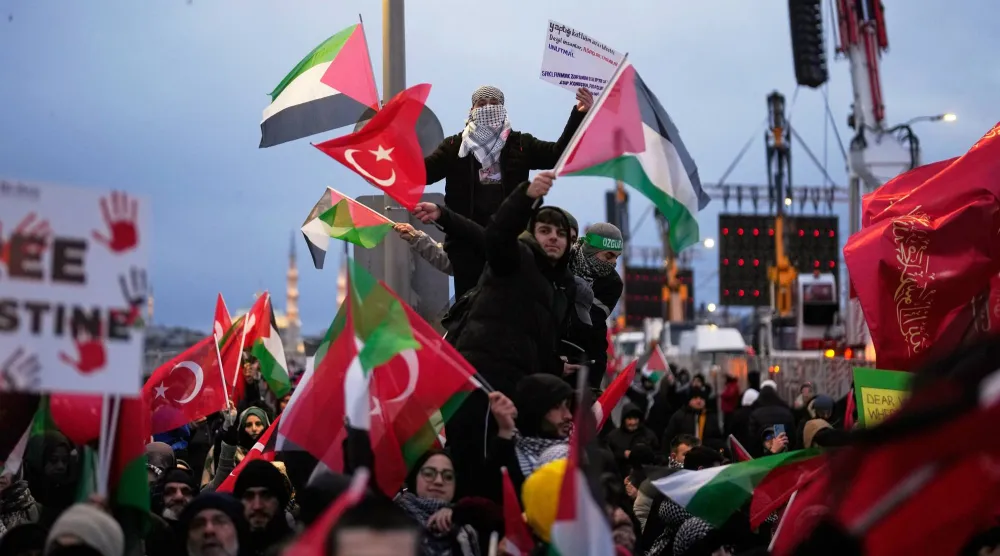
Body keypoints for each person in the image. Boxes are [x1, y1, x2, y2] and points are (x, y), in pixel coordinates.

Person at [423, 86, 594, 298]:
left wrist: (579, 115)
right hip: (466, 247)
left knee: (511, 305)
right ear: (472, 110)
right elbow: (422, 174)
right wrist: (394, 143)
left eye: (494, 103)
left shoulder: (520, 144)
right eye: (482, 104)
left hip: (511, 246)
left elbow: (558, 154)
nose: (488, 107)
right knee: (469, 310)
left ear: (503, 108)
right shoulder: (454, 147)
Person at [565, 223, 625, 388]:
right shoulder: (563, 260)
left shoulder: (612, 284)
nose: (613, 263)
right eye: (609, 256)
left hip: (580, 349)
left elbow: (590, 324)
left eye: (617, 257)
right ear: (592, 250)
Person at [394, 450, 480, 556]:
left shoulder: (467, 524)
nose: (439, 481)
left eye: (448, 476)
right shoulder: (393, 518)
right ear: (415, 478)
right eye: (429, 474)